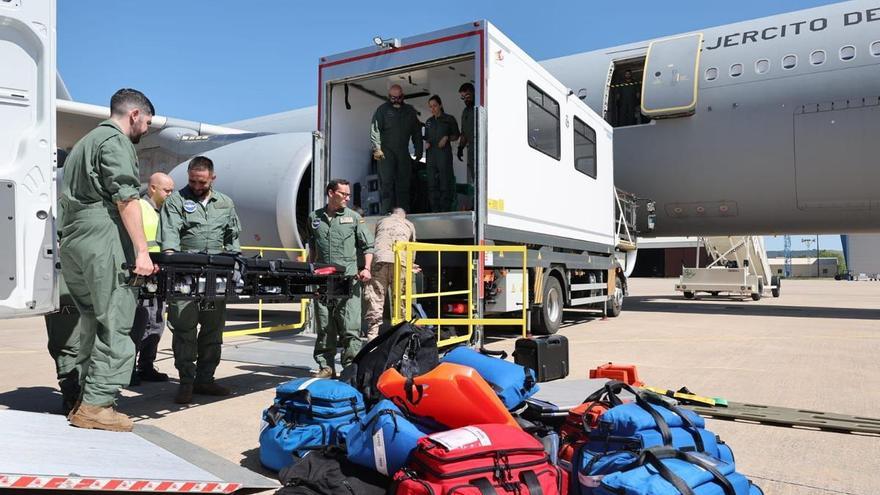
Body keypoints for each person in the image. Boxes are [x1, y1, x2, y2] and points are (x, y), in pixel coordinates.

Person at [59, 88, 156, 432]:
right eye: (146, 122)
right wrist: (142, 252)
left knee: (90, 321)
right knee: (115, 320)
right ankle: (96, 406)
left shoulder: (81, 146)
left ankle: (82, 397)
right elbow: (127, 199)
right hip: (103, 238)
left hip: (73, 239)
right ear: (134, 115)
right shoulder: (116, 142)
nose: (145, 129)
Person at [158, 156, 241, 404]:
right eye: (192, 181)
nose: (196, 186)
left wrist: (233, 264)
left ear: (212, 178)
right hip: (184, 275)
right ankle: (186, 382)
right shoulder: (175, 201)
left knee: (213, 330)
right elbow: (170, 235)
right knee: (184, 330)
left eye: (201, 182)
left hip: (216, 277)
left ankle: (205, 380)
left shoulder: (225, 203)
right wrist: (172, 264)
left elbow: (232, 238)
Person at [306, 179, 374, 378]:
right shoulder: (314, 218)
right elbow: (312, 245)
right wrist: (311, 269)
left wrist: (367, 268)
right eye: (343, 194)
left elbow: (367, 246)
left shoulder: (354, 218)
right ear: (330, 193)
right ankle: (326, 367)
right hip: (323, 281)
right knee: (325, 326)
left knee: (350, 327)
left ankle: (350, 368)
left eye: (348, 194)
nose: (347, 198)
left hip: (348, 281)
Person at [129, 173, 175, 386]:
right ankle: (127, 370)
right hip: (140, 273)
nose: (170, 194)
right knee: (138, 322)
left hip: (159, 275)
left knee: (156, 321)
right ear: (152, 188)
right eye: (167, 190)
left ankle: (146, 366)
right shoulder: (138, 207)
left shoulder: (164, 212)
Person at [363, 208, 417, 341]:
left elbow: (377, 241)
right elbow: (412, 248)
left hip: (380, 260)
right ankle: (400, 338)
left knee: (375, 298)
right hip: (400, 262)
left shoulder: (381, 221)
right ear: (404, 216)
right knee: (400, 300)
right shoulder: (409, 224)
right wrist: (411, 264)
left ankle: (372, 337)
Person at [370, 84, 423, 213]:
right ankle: (386, 211)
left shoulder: (410, 111)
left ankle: (403, 212)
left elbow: (416, 131)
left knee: (403, 184)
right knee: (386, 183)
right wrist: (377, 148)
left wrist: (419, 150)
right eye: (393, 98)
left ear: (403, 96)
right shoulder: (382, 110)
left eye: (398, 98)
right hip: (386, 152)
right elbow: (375, 129)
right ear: (389, 97)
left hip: (403, 152)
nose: (396, 101)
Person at [423, 95, 460, 212]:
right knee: (432, 184)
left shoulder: (449, 119)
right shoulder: (428, 122)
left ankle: (445, 210)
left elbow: (456, 135)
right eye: (430, 107)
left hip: (444, 156)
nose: (432, 109)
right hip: (431, 156)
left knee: (445, 183)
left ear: (440, 105)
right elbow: (426, 138)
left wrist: (447, 138)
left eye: (434, 106)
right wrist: (426, 143)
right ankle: (434, 210)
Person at [456, 82, 476, 185]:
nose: (465, 99)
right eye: (463, 97)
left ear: (473, 93)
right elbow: (464, 133)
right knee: (474, 177)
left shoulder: (480, 107)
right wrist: (460, 148)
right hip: (471, 150)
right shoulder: (465, 112)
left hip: (482, 148)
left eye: (467, 96)